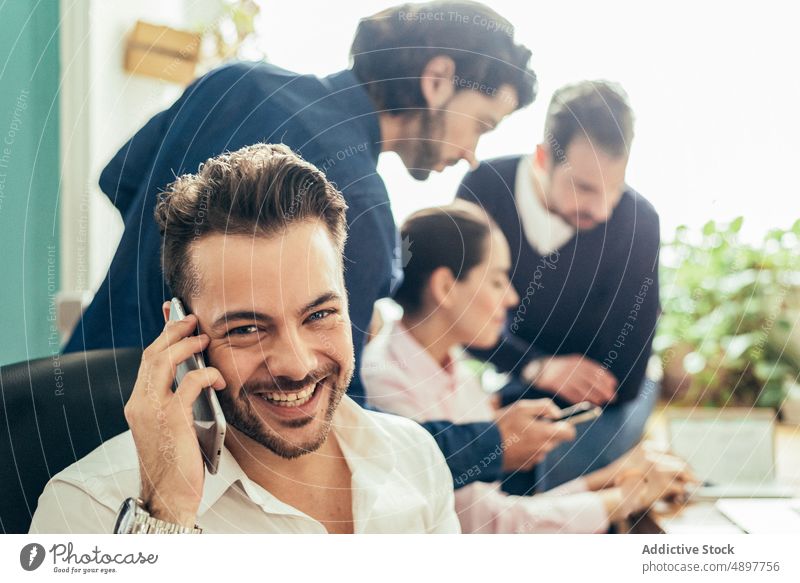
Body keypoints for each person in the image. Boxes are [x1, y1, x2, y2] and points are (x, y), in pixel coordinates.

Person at [63, 1, 541, 489]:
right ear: (438, 78)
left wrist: (163, 279)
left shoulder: (232, 82)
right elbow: (334, 432)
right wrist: (489, 444)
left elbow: (117, 179)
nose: (471, 155)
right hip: (165, 470)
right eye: (481, 125)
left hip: (60, 403)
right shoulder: (359, 205)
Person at [30, 144, 459, 534]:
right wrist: (165, 514)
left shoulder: (414, 456)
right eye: (246, 329)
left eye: (319, 314)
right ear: (182, 332)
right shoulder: (83, 509)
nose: (296, 365)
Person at [362, 206, 693, 533]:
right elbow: (489, 527)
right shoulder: (386, 384)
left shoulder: (454, 372)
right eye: (496, 281)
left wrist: (613, 477)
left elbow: (500, 512)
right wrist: (629, 496)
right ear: (445, 287)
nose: (511, 297)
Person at [455, 80, 661, 491]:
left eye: (613, 190)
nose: (601, 209)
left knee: (547, 470)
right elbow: (454, 318)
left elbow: (624, 376)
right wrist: (536, 366)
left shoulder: (638, 221)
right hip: (517, 376)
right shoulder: (484, 190)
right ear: (543, 157)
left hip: (600, 400)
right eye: (584, 187)